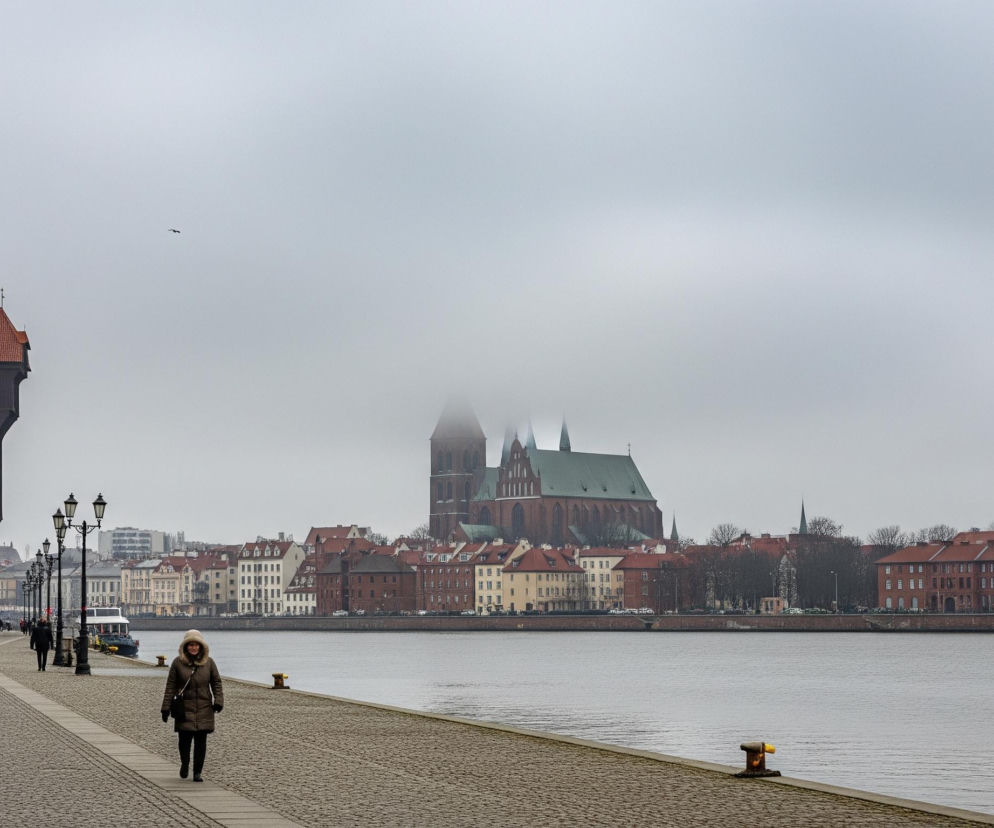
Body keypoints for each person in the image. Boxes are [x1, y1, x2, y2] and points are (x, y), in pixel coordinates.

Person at [160, 629, 223, 782]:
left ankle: (197, 772)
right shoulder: (177, 663)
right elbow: (170, 686)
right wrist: (165, 708)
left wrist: (218, 701)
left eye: (196, 645)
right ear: (186, 646)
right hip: (184, 708)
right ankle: (185, 763)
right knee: (184, 740)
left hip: (204, 707)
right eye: (191, 645)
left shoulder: (209, 663)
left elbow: (216, 682)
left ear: (201, 647)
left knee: (201, 742)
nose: (193, 648)